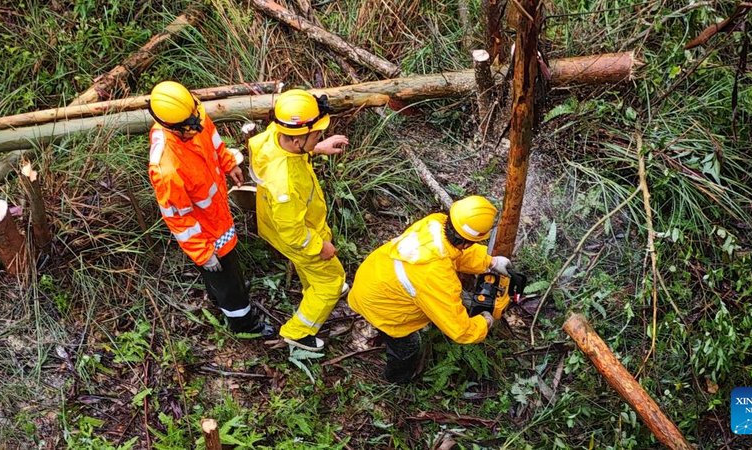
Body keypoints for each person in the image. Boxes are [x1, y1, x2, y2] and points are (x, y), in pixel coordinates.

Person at [147, 80, 274, 338]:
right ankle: (244, 323)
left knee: (225, 273)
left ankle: (221, 297)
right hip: (205, 233)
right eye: (190, 129)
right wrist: (203, 253)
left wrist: (229, 164)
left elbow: (215, 144)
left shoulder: (194, 117)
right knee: (226, 277)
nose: (198, 128)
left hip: (218, 215)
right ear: (173, 127)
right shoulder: (166, 167)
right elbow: (179, 219)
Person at [348, 196, 512, 383]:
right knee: (408, 346)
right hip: (382, 306)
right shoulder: (436, 275)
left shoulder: (436, 223)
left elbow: (455, 253)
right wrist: (485, 322)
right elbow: (460, 330)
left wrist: (489, 261)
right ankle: (396, 380)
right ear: (468, 242)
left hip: (373, 277)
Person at [248, 89, 349, 351]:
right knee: (332, 280)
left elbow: (292, 144)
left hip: (275, 225)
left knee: (313, 270)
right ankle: (299, 332)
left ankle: (313, 289)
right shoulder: (285, 184)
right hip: (297, 234)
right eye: (316, 135)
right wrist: (319, 245)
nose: (320, 137)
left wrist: (315, 148)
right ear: (296, 142)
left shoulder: (273, 135)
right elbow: (294, 233)